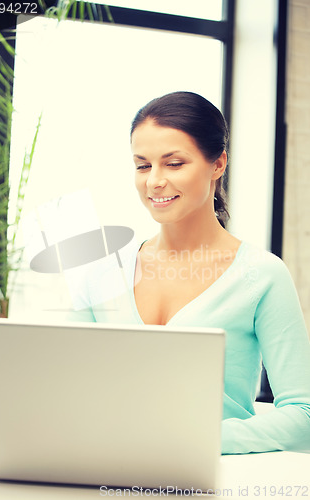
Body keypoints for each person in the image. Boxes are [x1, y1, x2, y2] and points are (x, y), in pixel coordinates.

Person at [66, 91, 310, 455]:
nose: (154, 182)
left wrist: (194, 441)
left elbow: (302, 416)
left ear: (218, 164)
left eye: (174, 163)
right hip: (105, 473)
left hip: (216, 480)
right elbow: (66, 392)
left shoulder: (262, 276)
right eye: (143, 165)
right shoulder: (100, 274)